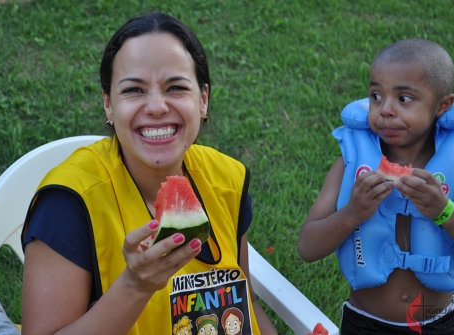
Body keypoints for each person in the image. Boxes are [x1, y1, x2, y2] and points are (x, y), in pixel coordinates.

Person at [20, 12, 277, 335]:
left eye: (176, 87)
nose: (156, 106)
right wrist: (135, 285)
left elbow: (246, 301)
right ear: (109, 106)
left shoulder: (227, 179)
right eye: (134, 90)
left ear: (203, 100)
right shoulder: (69, 201)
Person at [298, 38, 454, 334]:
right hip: (366, 322)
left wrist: (443, 211)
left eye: (403, 98)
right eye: (376, 95)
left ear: (442, 106)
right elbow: (307, 247)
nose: (386, 110)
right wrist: (352, 213)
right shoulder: (351, 165)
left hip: (438, 322)